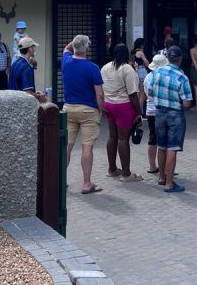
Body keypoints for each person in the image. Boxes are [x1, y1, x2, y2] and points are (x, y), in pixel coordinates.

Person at [62, 35, 105, 194]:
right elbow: (99, 94)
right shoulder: (92, 67)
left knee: (66, 146)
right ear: (87, 49)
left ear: (73, 46)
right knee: (87, 147)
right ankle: (87, 183)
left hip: (69, 109)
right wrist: (101, 110)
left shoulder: (65, 61)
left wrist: (74, 42)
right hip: (88, 110)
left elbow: (66, 49)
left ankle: (60, 181)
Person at [147, 45, 192, 193]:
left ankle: (161, 177)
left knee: (161, 145)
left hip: (159, 113)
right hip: (175, 114)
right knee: (172, 147)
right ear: (180, 59)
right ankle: (169, 183)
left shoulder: (156, 72)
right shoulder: (182, 77)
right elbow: (186, 103)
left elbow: (150, 91)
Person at [100, 43, 143, 182]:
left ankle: (112, 169)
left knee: (112, 136)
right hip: (123, 106)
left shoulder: (105, 67)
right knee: (123, 139)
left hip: (108, 105)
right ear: (127, 55)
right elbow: (133, 94)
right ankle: (126, 173)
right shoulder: (127, 69)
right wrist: (139, 111)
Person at [143, 53, 168, 178]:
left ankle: (152, 166)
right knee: (165, 141)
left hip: (151, 110)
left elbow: (147, 94)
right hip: (163, 110)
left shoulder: (148, 77)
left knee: (152, 138)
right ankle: (167, 167)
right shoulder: (166, 77)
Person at [8, 36, 47, 101]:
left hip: (12, 103)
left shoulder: (14, 64)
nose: (34, 49)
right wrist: (40, 97)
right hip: (22, 106)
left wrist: (35, 93)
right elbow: (27, 93)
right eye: (33, 47)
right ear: (30, 49)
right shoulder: (27, 68)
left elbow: (20, 87)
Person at [133, 38, 150, 113]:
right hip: (142, 71)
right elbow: (146, 62)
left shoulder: (133, 52)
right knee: (142, 94)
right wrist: (146, 63)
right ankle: (140, 111)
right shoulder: (140, 52)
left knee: (138, 93)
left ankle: (138, 110)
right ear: (141, 45)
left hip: (135, 72)